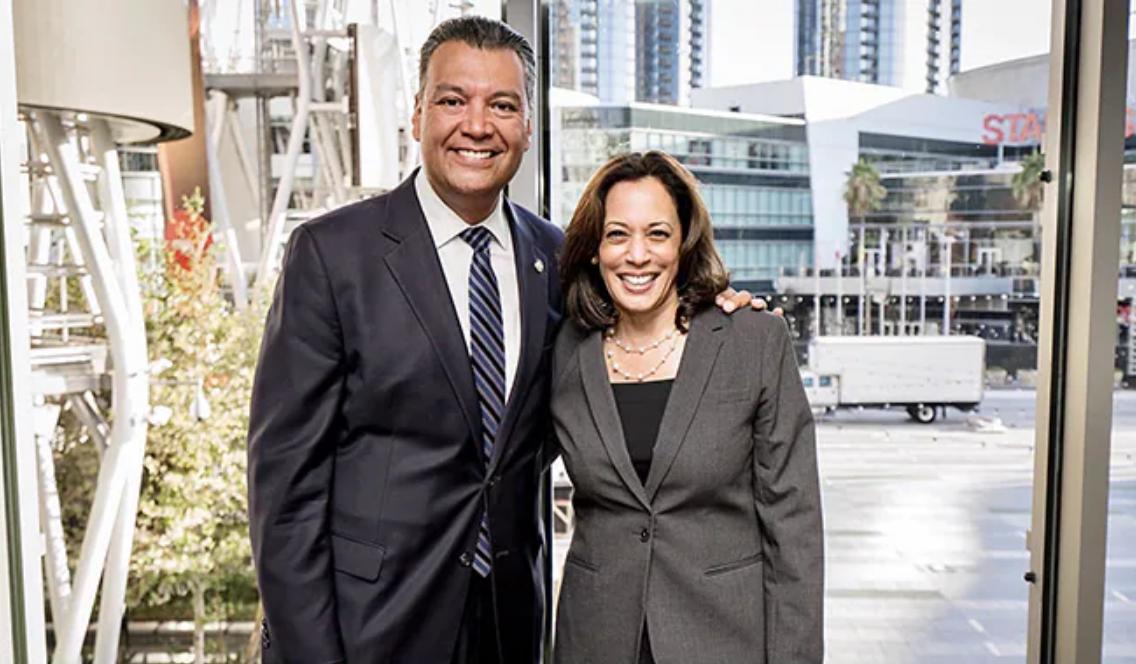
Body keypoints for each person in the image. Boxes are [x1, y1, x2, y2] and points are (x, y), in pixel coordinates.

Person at [247, 17, 762, 664]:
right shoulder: (331, 255)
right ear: (417, 115)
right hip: (367, 629)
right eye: (453, 100)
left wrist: (712, 309)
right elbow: (284, 490)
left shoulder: (560, 260)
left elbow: (641, 325)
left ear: (526, 127)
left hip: (511, 625)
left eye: (503, 105)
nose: (477, 124)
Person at [551, 151, 824, 664]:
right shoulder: (566, 349)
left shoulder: (752, 341)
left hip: (723, 639)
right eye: (617, 235)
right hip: (596, 638)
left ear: (683, 244)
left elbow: (795, 528)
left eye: (657, 234)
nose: (637, 255)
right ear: (593, 250)